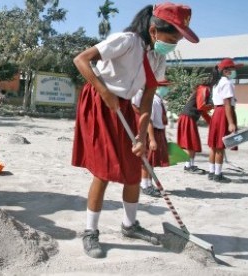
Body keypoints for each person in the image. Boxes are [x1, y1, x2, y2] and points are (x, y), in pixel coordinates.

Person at [72, 3, 199, 258]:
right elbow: (81, 60)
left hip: (126, 108)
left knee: (133, 167)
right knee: (105, 170)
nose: (174, 43)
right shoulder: (126, 41)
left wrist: (141, 135)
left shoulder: (158, 57)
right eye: (172, 37)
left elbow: (148, 98)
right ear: (153, 30)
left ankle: (129, 225)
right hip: (100, 103)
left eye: (177, 39)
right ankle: (90, 231)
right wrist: (104, 91)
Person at [207, 58, 242, 183]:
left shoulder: (217, 82)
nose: (234, 71)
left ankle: (211, 171)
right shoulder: (226, 83)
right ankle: (218, 174)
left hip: (217, 113)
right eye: (233, 69)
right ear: (226, 70)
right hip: (223, 113)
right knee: (220, 145)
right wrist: (231, 122)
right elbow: (227, 103)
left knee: (214, 145)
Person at [177, 80, 213, 174]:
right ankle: (189, 166)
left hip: (188, 118)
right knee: (192, 143)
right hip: (188, 118)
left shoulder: (201, 89)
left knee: (192, 143)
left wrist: (212, 123)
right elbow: (202, 106)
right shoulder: (204, 89)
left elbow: (202, 111)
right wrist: (213, 106)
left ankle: (189, 165)